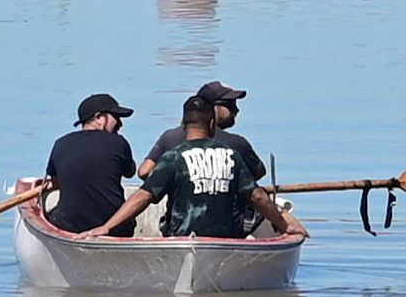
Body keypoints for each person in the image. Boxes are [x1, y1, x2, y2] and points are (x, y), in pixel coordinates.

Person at [105, 92, 297, 241]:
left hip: (182, 237)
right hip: (226, 239)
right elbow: (257, 196)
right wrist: (284, 225)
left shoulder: (173, 157)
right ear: (212, 124)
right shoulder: (231, 155)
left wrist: (106, 227)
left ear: (183, 124)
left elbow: (143, 196)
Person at [41, 94, 140, 237]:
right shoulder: (119, 143)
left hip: (69, 226)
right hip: (114, 228)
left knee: (52, 213)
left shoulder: (60, 143)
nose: (120, 124)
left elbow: (56, 183)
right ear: (99, 117)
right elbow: (130, 172)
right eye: (116, 117)